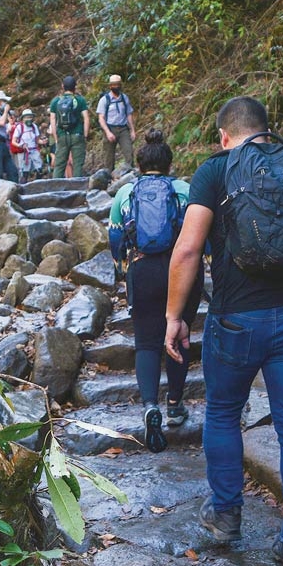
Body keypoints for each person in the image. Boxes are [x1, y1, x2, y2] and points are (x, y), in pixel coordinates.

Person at [165, 96, 283, 566]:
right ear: (268, 130)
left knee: (224, 413)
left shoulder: (216, 171)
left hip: (235, 320)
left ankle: (226, 517)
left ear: (225, 136)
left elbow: (187, 251)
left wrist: (174, 316)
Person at [108, 129, 203, 453]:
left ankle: (151, 405)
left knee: (147, 342)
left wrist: (121, 265)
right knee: (180, 333)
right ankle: (175, 404)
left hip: (144, 269)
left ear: (140, 161)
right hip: (183, 269)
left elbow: (115, 235)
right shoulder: (184, 190)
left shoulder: (126, 192)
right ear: (169, 162)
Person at [49, 76, 89, 178]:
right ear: (75, 87)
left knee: (59, 165)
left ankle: (55, 189)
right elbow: (86, 118)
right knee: (77, 165)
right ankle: (77, 190)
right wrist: (85, 135)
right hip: (77, 135)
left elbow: (53, 120)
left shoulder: (56, 101)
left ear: (63, 86)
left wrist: (56, 137)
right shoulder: (80, 100)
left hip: (62, 135)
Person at [96, 74, 136, 172]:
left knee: (129, 152)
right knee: (109, 157)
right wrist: (107, 132)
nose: (116, 87)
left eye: (118, 84)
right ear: (110, 86)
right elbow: (101, 118)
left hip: (123, 129)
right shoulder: (105, 100)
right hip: (110, 128)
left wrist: (132, 130)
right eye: (114, 85)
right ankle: (108, 178)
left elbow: (129, 114)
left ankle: (130, 175)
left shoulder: (124, 98)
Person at [11, 109, 44, 184]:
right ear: (23, 119)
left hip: (34, 150)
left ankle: (38, 185)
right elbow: (13, 141)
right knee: (24, 172)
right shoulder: (19, 127)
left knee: (39, 168)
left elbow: (37, 140)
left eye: (30, 117)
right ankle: (23, 187)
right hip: (24, 152)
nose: (29, 119)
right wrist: (21, 145)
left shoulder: (34, 126)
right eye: (27, 117)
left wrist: (43, 142)